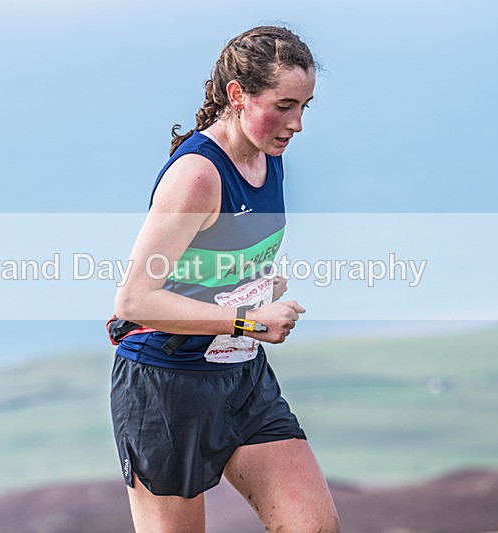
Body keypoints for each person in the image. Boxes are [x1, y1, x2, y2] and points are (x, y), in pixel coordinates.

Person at [110, 25, 340, 532]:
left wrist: (259, 285)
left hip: (242, 379)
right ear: (237, 96)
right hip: (165, 387)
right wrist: (249, 320)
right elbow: (133, 300)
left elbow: (215, 266)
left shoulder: (269, 154)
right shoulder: (196, 175)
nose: (296, 123)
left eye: (305, 106)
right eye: (283, 105)